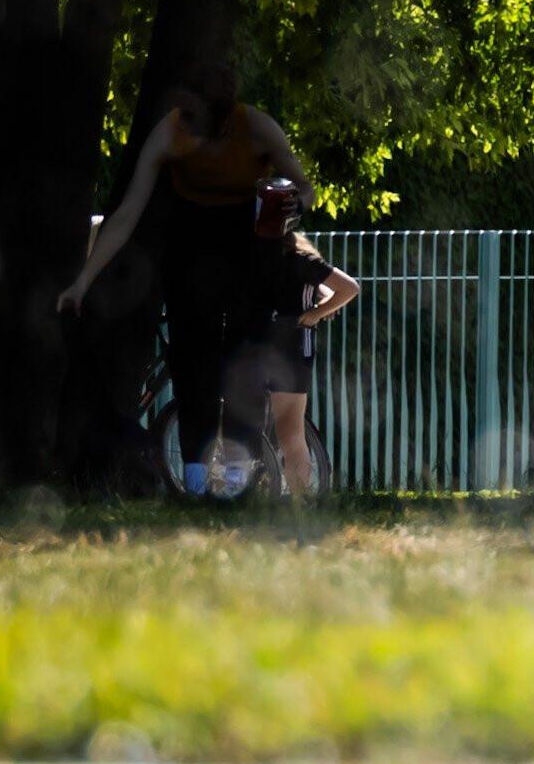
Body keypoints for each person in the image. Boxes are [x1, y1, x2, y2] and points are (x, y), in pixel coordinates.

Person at [73, 56, 310, 495]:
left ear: (222, 116)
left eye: (194, 116)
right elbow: (126, 214)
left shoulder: (256, 128)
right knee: (192, 362)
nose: (185, 123)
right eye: (182, 112)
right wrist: (83, 281)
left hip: (249, 246)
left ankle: (238, 479)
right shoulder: (171, 131)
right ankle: (198, 482)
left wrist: (295, 205)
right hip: (191, 246)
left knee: (245, 360)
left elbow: (305, 187)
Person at [205, 178, 354, 502]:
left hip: (286, 345)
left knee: (286, 430)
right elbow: (333, 287)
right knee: (284, 430)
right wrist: (319, 307)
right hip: (279, 345)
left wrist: (316, 312)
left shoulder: (293, 257)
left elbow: (349, 288)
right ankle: (294, 501)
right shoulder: (293, 255)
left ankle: (294, 499)